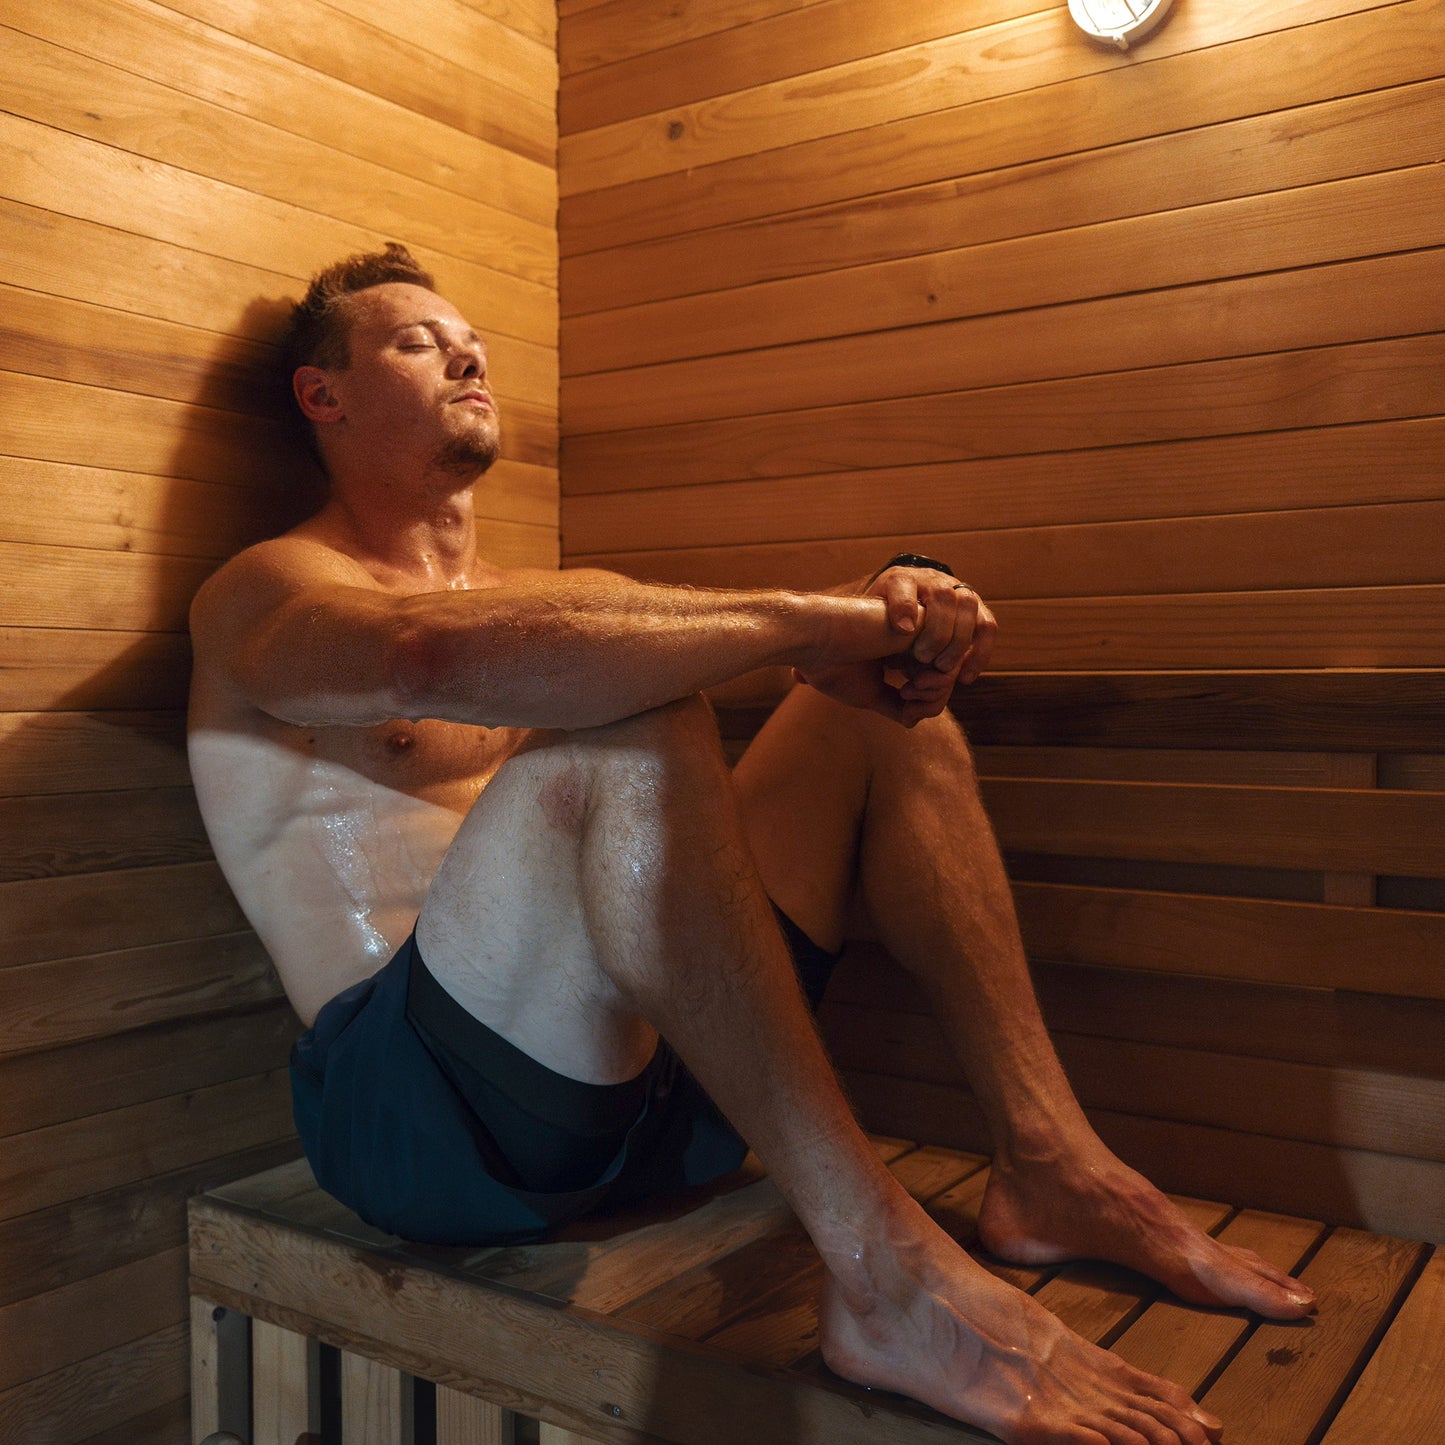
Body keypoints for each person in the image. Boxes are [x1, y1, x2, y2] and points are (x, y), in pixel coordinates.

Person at [188, 243, 1314, 1445]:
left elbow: (620, 645)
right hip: (427, 1123)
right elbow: (424, 657)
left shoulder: (557, 598)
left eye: (470, 335)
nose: (465, 351)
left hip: (656, 1093)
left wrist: (873, 630)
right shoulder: (266, 590)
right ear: (325, 395)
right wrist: (831, 615)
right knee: (630, 718)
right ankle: (885, 1271)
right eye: (416, 340)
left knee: (874, 718)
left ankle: (1049, 1160)